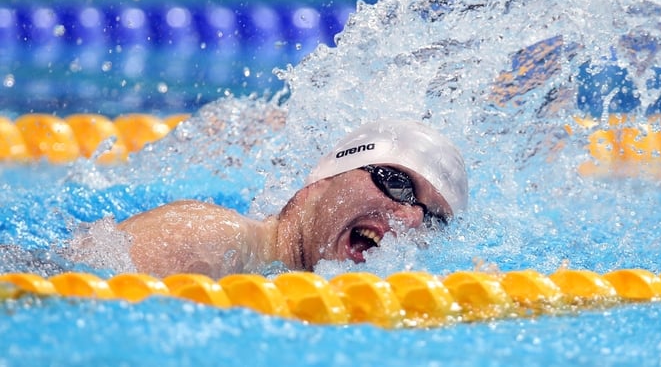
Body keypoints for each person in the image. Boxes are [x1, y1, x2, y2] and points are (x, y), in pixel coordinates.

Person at [118, 119, 468, 278]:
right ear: (324, 180)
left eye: (434, 218)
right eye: (397, 183)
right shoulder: (207, 239)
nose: (412, 219)